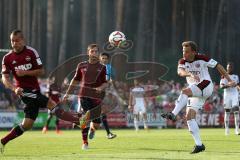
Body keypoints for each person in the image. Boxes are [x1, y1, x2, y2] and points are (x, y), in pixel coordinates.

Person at [0, 30, 89, 154]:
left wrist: (25, 72)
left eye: (17, 40)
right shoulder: (7, 58)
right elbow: (4, 78)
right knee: (51, 104)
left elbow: (41, 71)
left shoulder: (31, 52)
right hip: (24, 92)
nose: (14, 43)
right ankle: (79, 122)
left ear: (23, 40)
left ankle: (3, 141)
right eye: (12, 41)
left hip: (35, 90)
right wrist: (14, 88)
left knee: (27, 125)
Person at [161, 41, 235, 154]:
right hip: (196, 91)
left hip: (206, 85)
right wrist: (189, 74)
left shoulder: (203, 58)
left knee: (185, 91)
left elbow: (218, 66)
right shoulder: (182, 61)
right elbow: (180, 72)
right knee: (189, 117)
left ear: (194, 52)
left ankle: (173, 114)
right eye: (183, 51)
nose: (184, 54)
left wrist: (229, 80)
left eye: (186, 51)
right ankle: (199, 145)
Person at [63, 44, 108, 150]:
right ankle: (85, 143)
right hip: (83, 95)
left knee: (96, 123)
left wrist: (101, 87)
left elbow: (106, 83)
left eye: (96, 51)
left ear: (98, 53)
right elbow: (75, 80)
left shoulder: (102, 67)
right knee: (86, 117)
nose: (94, 53)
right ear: (88, 52)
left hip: (96, 98)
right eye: (92, 51)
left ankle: (92, 130)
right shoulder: (81, 65)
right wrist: (68, 93)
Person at [99, 52, 117, 139]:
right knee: (96, 113)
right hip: (93, 92)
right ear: (100, 58)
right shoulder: (95, 67)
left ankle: (108, 133)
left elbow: (109, 79)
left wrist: (110, 81)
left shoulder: (109, 67)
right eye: (103, 58)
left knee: (102, 112)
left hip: (102, 92)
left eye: (106, 58)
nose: (104, 60)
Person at [220, 62, 239, 135]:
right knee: (227, 112)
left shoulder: (236, 76)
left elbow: (237, 85)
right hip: (227, 95)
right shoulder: (224, 76)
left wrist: (237, 87)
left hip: (234, 94)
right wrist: (229, 85)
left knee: (236, 111)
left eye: (231, 67)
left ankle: (237, 129)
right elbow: (221, 87)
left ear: (232, 68)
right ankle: (227, 129)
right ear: (226, 68)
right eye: (228, 67)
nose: (229, 68)